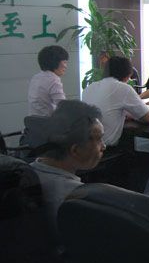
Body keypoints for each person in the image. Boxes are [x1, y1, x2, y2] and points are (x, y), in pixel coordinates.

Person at [29, 100, 105, 238]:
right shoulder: (78, 199)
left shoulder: (26, 173)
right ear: (75, 150)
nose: (103, 146)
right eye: (99, 139)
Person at [82, 56, 149, 192]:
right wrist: (132, 116)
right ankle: (129, 196)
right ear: (127, 74)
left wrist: (122, 114)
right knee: (147, 160)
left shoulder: (90, 87)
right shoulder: (122, 88)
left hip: (85, 147)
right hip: (106, 151)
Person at [27, 45, 69, 116]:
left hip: (33, 120)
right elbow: (63, 106)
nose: (66, 66)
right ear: (55, 62)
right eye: (64, 62)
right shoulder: (53, 80)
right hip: (48, 120)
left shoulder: (36, 77)